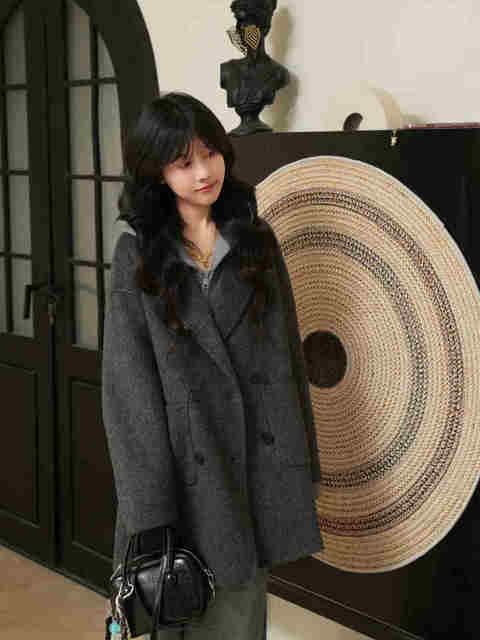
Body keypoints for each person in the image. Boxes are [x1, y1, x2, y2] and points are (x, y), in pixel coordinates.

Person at [102, 91, 323, 639]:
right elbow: (129, 390)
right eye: (184, 162)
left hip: (250, 463)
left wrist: (300, 465)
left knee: (241, 614)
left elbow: (286, 359)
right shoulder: (137, 255)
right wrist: (150, 511)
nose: (204, 172)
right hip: (179, 471)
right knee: (178, 612)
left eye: (210, 153)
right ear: (156, 172)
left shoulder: (255, 240)